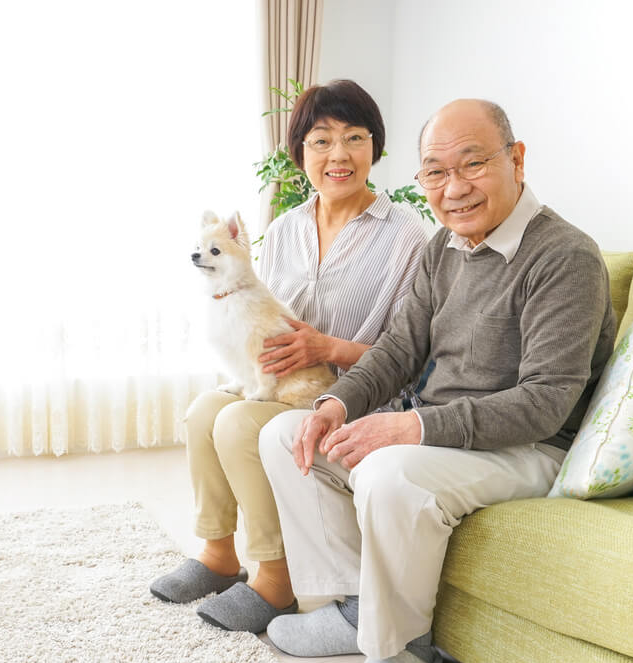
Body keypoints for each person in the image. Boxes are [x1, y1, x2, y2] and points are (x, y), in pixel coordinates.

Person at [256, 98, 616, 663]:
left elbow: (545, 403)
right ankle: (356, 605)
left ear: (517, 161)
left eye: (473, 164)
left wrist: (412, 426)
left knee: (390, 470)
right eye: (435, 172)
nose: (454, 188)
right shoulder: (442, 247)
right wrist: (333, 405)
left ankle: (398, 646)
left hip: (531, 446)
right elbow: (399, 350)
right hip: (448, 435)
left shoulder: (564, 256)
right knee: (285, 433)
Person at [148, 79, 427, 634]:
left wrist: (331, 348)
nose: (339, 155)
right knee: (206, 408)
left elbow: (417, 355)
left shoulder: (408, 237)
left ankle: (275, 579)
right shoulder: (283, 230)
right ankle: (218, 554)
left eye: (354, 137)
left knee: (234, 422)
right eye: (321, 141)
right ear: (299, 153)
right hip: (285, 386)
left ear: (377, 146)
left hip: (357, 397)